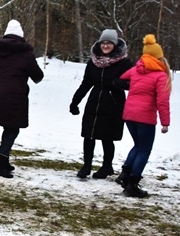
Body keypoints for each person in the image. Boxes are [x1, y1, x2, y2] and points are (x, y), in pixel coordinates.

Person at [0, 19, 44, 178]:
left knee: (9, 127)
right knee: (13, 128)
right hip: (15, 96)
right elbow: (38, 76)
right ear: (21, 36)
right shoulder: (26, 54)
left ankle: (4, 159)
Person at [70, 29, 133, 179]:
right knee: (89, 135)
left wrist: (118, 83)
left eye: (109, 43)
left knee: (107, 137)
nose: (106, 46)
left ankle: (106, 166)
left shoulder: (124, 62)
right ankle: (86, 166)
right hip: (94, 102)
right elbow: (86, 83)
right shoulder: (93, 62)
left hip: (113, 103)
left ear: (115, 45)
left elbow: (131, 83)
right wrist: (75, 102)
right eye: (103, 43)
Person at [115, 34, 171, 198]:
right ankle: (132, 184)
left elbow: (120, 80)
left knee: (138, 145)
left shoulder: (135, 70)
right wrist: (165, 122)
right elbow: (162, 101)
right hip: (145, 117)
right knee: (144, 149)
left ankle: (125, 175)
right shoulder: (161, 76)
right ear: (159, 57)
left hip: (129, 114)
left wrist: (132, 87)